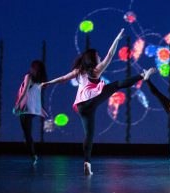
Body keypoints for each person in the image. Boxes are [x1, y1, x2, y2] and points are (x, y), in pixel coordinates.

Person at [41, 29, 155, 175]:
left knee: (89, 135)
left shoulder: (79, 71)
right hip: (90, 101)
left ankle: (87, 163)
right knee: (116, 85)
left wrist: (48, 83)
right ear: (93, 59)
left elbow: (63, 79)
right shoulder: (95, 70)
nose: (100, 57)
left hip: (81, 107)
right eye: (97, 56)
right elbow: (110, 54)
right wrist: (117, 39)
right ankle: (142, 75)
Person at [13, 60, 48, 166]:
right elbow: (36, 95)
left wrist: (17, 105)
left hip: (26, 109)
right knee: (27, 134)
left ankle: (33, 155)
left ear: (33, 68)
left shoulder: (29, 76)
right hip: (33, 110)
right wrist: (40, 108)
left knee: (27, 134)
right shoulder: (40, 80)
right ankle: (32, 154)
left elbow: (24, 92)